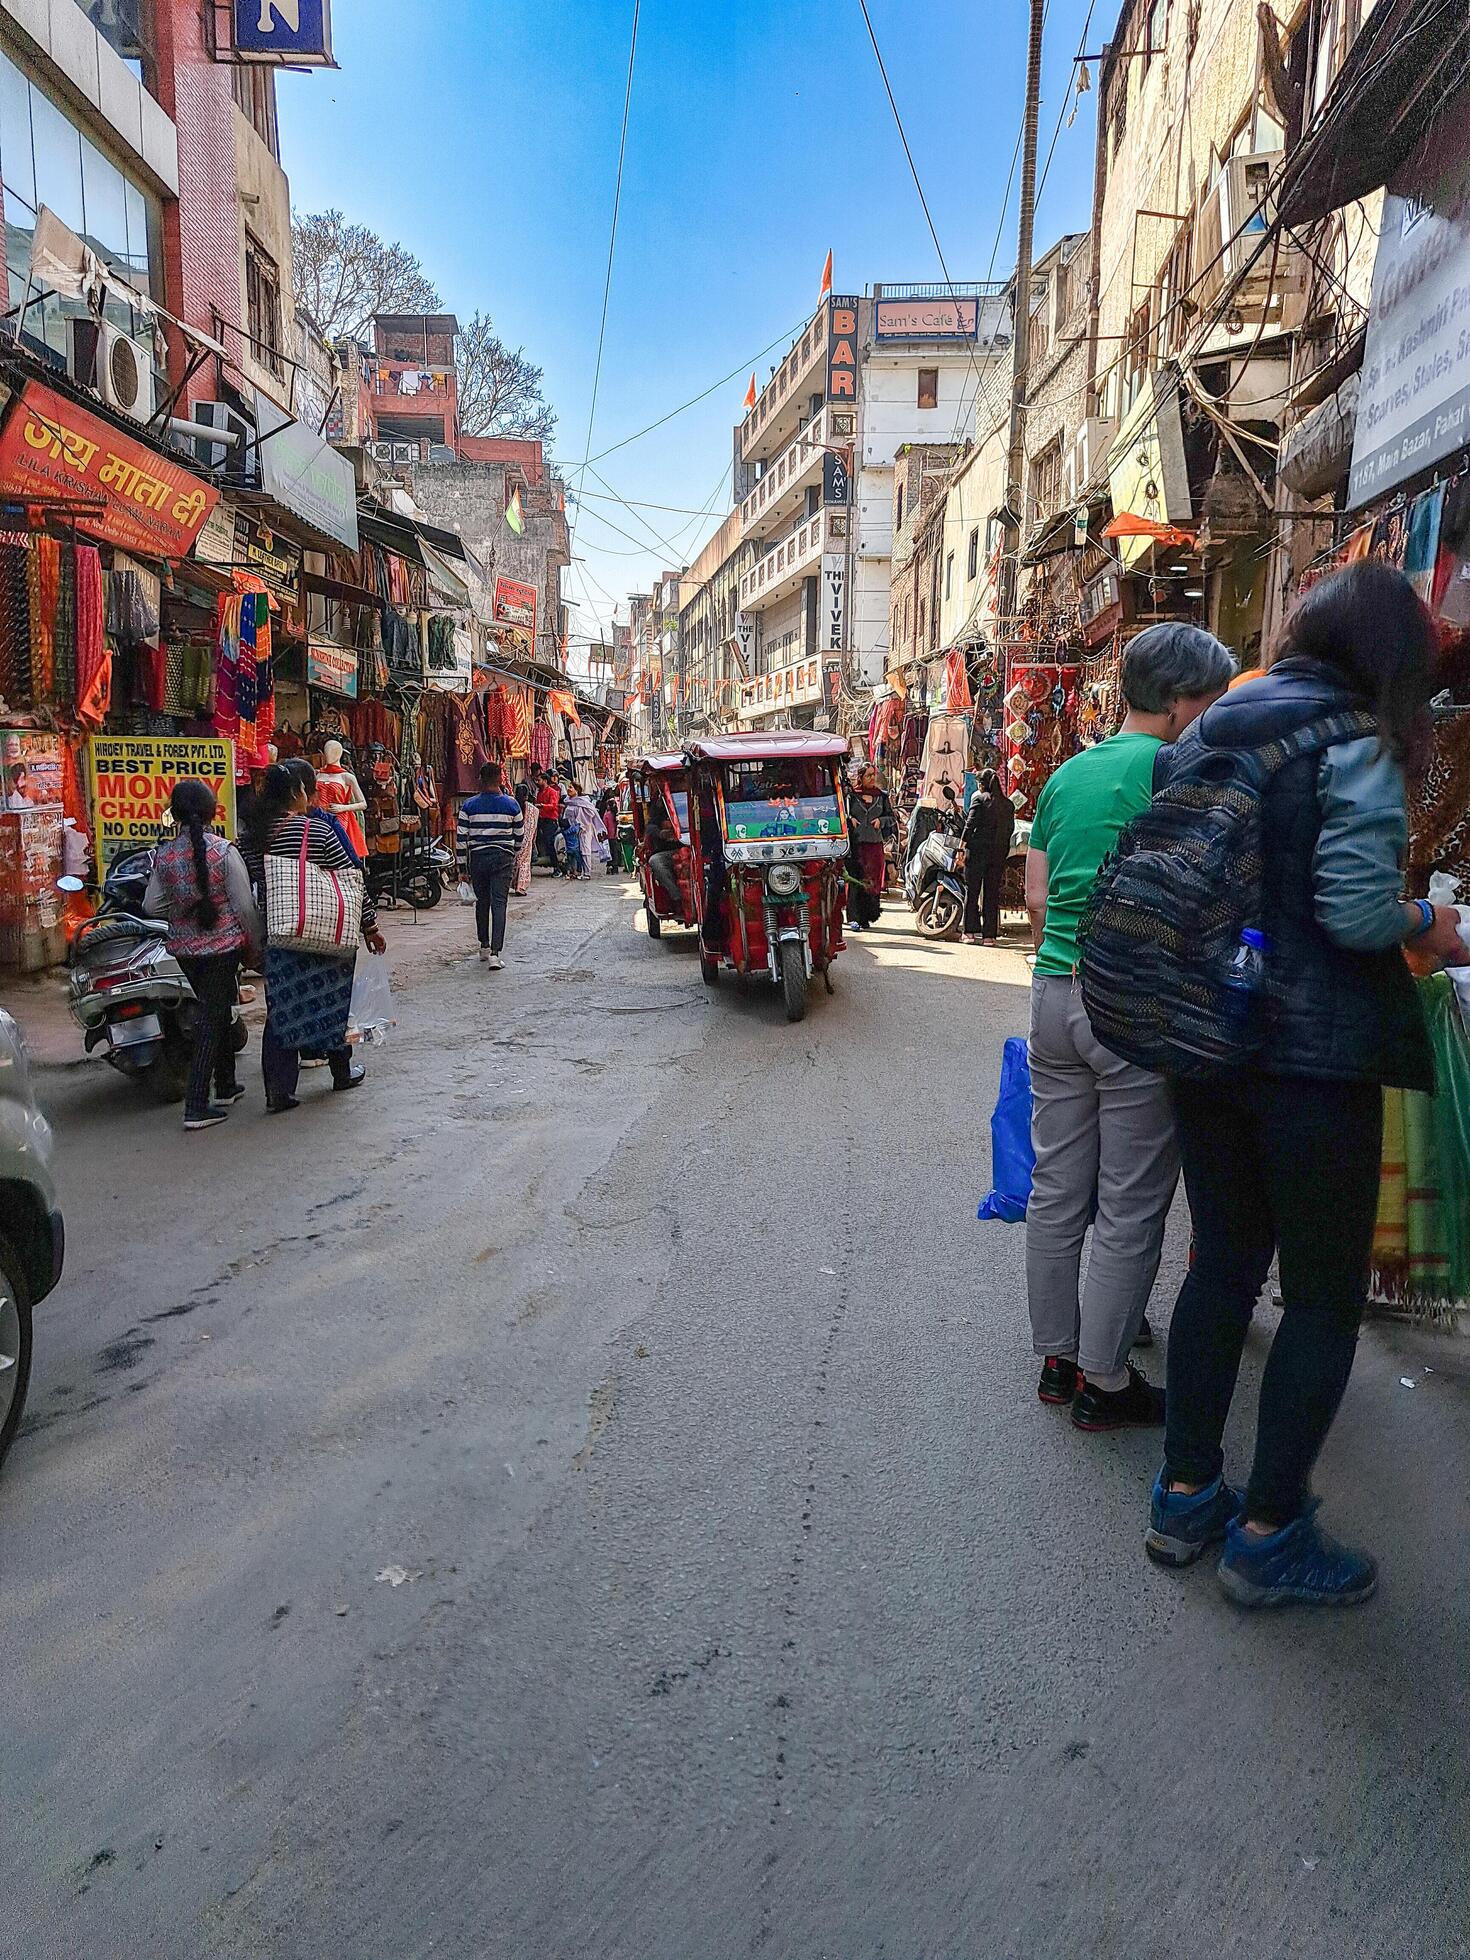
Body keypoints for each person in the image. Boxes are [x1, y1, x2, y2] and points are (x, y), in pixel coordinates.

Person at [1146, 563, 1469, 1606]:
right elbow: (1356, 911)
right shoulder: (1356, 740)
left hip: (1208, 1042)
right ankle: (1269, 1534)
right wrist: (1431, 923)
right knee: (1322, 1298)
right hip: (1313, 1066)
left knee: (1221, 1268)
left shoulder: (1212, 726)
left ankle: (1185, 1494)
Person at [1025, 622, 1237, 1430]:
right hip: (1133, 1005)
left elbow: (1038, 900)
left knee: (1056, 1189)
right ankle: (1104, 1382)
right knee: (1130, 1202)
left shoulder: (1064, 775)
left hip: (1053, 995)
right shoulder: (1176, 770)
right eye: (1210, 700)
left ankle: (1057, 1361)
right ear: (1180, 702)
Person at [243, 761, 386, 1114]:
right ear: (297, 792)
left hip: (279, 933)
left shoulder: (252, 837)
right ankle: (341, 1072)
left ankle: (279, 1090)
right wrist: (369, 926)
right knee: (332, 1000)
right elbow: (352, 882)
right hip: (324, 932)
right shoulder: (316, 830)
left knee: (281, 1010)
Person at [144, 779, 262, 1132]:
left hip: (185, 950)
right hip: (223, 948)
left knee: (218, 1008)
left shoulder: (165, 855)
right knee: (212, 1018)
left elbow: (152, 906)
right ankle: (196, 1104)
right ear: (213, 812)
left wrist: (183, 909)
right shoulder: (224, 852)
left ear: (175, 813)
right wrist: (256, 946)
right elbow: (244, 906)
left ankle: (226, 1084)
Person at [458, 761, 524, 969]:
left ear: (480, 779)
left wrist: (462, 868)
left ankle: (484, 946)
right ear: (500, 779)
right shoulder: (512, 805)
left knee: (482, 902)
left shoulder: (468, 806)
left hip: (478, 858)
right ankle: (496, 953)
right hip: (503, 858)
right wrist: (512, 853)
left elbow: (461, 839)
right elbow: (520, 837)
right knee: (499, 903)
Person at [960, 768, 1015, 945]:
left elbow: (969, 825)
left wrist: (961, 847)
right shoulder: (1008, 805)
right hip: (998, 854)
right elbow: (1010, 830)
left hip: (977, 852)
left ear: (982, 784)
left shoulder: (979, 800)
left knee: (972, 891)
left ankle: (969, 932)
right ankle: (989, 936)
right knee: (991, 894)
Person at [845, 765, 896, 929]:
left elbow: (892, 818)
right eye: (868, 775)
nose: (872, 778)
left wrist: (881, 821)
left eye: (873, 775)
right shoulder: (851, 796)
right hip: (856, 845)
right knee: (855, 880)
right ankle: (853, 916)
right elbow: (842, 813)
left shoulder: (881, 797)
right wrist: (850, 818)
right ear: (860, 777)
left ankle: (867, 916)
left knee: (872, 881)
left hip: (874, 846)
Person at [644, 798, 683, 907]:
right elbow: (650, 827)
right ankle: (676, 896)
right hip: (669, 851)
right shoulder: (661, 804)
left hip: (695, 848)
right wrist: (660, 833)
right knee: (655, 861)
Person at [565, 783, 603, 880]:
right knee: (573, 851)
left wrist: (581, 825)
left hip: (584, 830)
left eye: (571, 787)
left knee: (585, 850)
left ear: (576, 790)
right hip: (572, 831)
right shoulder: (568, 801)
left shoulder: (583, 802)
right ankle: (575, 871)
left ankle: (587, 873)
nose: (568, 789)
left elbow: (590, 814)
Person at [510, 778, 537, 897]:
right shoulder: (533, 809)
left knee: (515, 862)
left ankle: (514, 883)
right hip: (526, 840)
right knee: (524, 862)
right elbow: (534, 826)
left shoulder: (512, 806)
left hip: (513, 838)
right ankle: (520, 886)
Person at [535, 771, 563, 869]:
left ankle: (556, 867)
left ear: (545, 781)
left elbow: (554, 806)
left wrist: (542, 806)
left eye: (539, 780)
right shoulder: (539, 792)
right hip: (541, 820)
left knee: (549, 843)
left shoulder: (552, 792)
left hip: (550, 821)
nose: (537, 782)